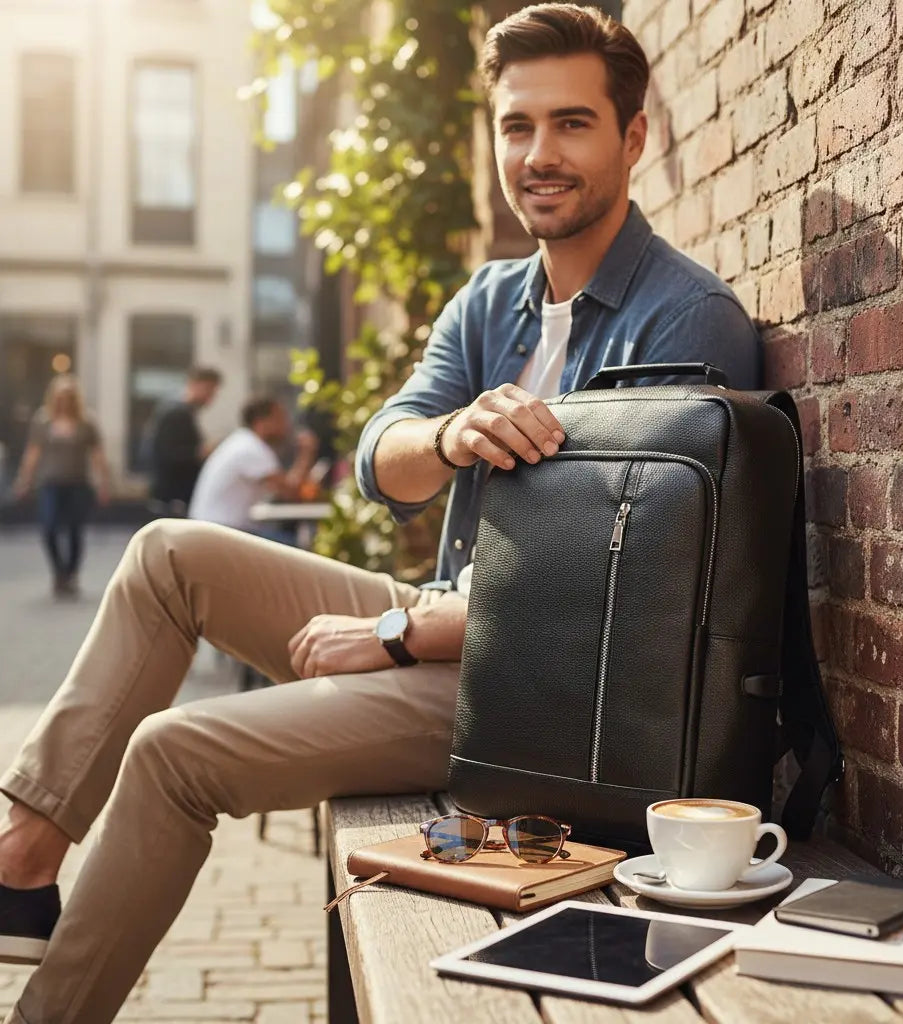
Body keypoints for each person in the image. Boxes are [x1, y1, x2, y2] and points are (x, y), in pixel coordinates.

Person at [0, 6, 760, 1021]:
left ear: (632, 137)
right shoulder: (493, 302)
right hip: (458, 629)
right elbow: (380, 460)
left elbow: (623, 604)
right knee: (165, 553)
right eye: (516, 125)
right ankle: (21, 856)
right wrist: (449, 436)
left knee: (173, 752)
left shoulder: (686, 320)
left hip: (546, 699)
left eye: (572, 124)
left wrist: (399, 633)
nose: (538, 154)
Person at [10, 375, 112, 598]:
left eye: (68, 396)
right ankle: (58, 571)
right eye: (60, 396)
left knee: (76, 529)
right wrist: (24, 478)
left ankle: (71, 572)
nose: (64, 401)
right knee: (49, 527)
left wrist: (104, 482)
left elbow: (97, 455)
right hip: (50, 483)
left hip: (78, 483)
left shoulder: (86, 422)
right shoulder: (43, 420)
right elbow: (33, 452)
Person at [187, 395, 319, 536]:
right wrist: (306, 454)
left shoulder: (244, 441)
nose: (286, 425)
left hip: (216, 530)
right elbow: (291, 493)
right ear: (261, 422)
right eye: (280, 419)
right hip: (220, 533)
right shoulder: (251, 448)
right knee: (296, 551)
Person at [144, 366, 222, 516]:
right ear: (194, 384)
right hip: (172, 498)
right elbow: (167, 454)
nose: (210, 397)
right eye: (209, 390)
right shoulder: (176, 413)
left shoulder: (184, 412)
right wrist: (200, 453)